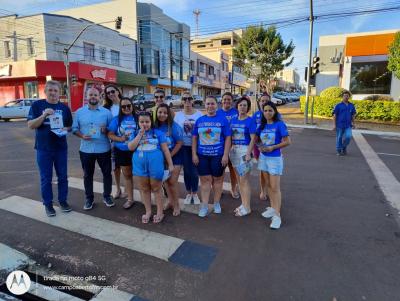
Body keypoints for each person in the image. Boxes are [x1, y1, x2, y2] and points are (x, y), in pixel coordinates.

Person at [27, 80, 73, 217]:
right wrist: (44, 115)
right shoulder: (37, 105)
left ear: (59, 92)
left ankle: (63, 201)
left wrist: (66, 128)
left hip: (60, 148)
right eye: (50, 90)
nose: (53, 93)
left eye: (55, 90)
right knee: (46, 178)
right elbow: (30, 125)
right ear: (45, 91)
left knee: (63, 177)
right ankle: (48, 204)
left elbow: (70, 126)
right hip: (43, 148)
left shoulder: (64, 108)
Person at [250, 101, 291, 229]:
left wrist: (273, 147)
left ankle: (277, 216)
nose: (267, 113)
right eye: (265, 110)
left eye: (270, 110)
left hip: (275, 159)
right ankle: (273, 208)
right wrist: (259, 147)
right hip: (263, 158)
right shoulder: (261, 126)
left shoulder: (279, 125)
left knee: (275, 188)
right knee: (268, 185)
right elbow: (255, 140)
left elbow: (288, 141)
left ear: (274, 112)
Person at [128, 112, 174, 224]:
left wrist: (171, 164)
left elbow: (165, 149)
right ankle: (148, 211)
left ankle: (159, 212)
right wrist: (139, 134)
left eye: (147, 122)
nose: (144, 124)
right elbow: (130, 147)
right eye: (142, 122)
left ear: (151, 122)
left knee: (156, 188)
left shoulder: (158, 133)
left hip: (156, 164)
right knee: (144, 188)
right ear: (138, 123)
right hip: (139, 164)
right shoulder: (134, 133)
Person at [72, 87, 114, 210]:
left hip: (103, 149)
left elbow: (112, 130)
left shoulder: (106, 113)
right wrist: (82, 135)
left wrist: (106, 130)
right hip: (86, 149)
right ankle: (89, 198)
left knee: (107, 174)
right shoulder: (79, 112)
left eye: (95, 95)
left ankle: (107, 196)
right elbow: (74, 129)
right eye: (91, 95)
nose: (93, 97)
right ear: (86, 96)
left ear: (100, 97)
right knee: (87, 175)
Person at [192, 96, 231, 218]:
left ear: (217, 105)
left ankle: (216, 203)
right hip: (202, 156)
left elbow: (228, 138)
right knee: (205, 181)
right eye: (208, 104)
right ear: (205, 105)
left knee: (218, 180)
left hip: (218, 156)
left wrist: (225, 155)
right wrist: (194, 154)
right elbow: (194, 138)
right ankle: (204, 205)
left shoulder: (223, 120)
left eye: (212, 104)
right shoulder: (199, 121)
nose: (210, 106)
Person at [108, 97, 137, 209]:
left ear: (132, 106)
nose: (126, 108)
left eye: (128, 105)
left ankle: (147, 197)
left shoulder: (137, 117)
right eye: (123, 106)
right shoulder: (117, 120)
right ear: (120, 108)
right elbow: (110, 134)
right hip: (122, 151)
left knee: (141, 175)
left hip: (137, 151)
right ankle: (130, 199)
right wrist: (121, 139)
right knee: (127, 175)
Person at [230, 97, 257, 216]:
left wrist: (248, 154)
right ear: (237, 107)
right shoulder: (233, 120)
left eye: (245, 105)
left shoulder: (250, 121)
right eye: (240, 105)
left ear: (248, 108)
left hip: (244, 152)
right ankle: (243, 203)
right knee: (239, 181)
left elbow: (253, 139)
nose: (242, 107)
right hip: (234, 152)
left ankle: (247, 207)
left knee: (244, 180)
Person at [154, 103, 183, 216]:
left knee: (172, 181)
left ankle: (176, 205)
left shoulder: (174, 126)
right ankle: (170, 202)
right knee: (165, 181)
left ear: (169, 114)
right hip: (160, 158)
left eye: (165, 112)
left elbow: (180, 143)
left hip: (174, 156)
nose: (162, 114)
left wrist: (169, 156)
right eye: (160, 112)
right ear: (156, 113)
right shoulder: (154, 126)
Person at [174, 92, 203, 205]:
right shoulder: (178, 115)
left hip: (196, 147)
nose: (187, 101)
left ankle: (195, 193)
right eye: (184, 99)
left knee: (195, 171)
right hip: (183, 147)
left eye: (189, 99)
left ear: (193, 100)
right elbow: (175, 132)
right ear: (182, 101)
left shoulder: (199, 115)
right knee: (186, 171)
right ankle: (188, 192)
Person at [104, 84, 126, 200]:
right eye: (108, 93)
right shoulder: (106, 108)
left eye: (113, 91)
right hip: (112, 141)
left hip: (127, 140)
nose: (111, 94)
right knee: (115, 167)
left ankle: (128, 189)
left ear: (118, 91)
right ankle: (117, 188)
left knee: (128, 166)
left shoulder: (126, 103)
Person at [217, 92, 240, 199]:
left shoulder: (236, 111)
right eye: (225, 99)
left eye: (229, 99)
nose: (227, 101)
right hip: (221, 145)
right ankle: (219, 189)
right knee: (220, 169)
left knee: (233, 169)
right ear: (221, 100)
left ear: (232, 101)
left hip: (235, 144)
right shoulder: (217, 113)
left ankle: (233, 188)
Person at [252, 92, 272, 201]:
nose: (264, 102)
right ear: (259, 102)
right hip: (258, 146)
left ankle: (271, 190)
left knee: (270, 169)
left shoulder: (275, 114)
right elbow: (253, 132)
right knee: (262, 169)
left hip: (271, 147)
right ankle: (263, 190)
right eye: (262, 101)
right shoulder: (256, 115)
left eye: (266, 100)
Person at [333, 91, 356, 156]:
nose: (346, 97)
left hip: (348, 125)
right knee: (339, 138)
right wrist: (334, 125)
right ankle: (339, 150)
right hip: (339, 125)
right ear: (342, 97)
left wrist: (354, 124)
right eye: (344, 96)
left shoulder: (351, 106)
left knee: (348, 137)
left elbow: (353, 116)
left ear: (349, 97)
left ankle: (343, 147)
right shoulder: (338, 105)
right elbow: (334, 116)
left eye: (347, 96)